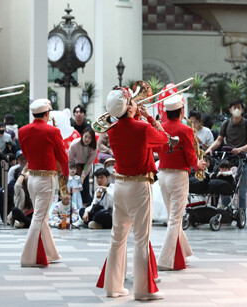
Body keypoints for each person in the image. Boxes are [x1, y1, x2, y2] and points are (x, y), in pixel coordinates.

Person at [96, 87, 168, 300]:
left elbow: (128, 127)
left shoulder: (111, 130)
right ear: (128, 107)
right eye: (133, 101)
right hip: (139, 186)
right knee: (141, 239)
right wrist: (150, 119)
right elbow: (163, 140)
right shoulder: (142, 128)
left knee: (117, 237)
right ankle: (144, 290)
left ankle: (113, 287)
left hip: (120, 185)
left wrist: (137, 115)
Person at [156, 94, 206, 272]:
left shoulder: (159, 127)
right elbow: (191, 156)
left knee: (172, 215)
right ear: (181, 111)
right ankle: (164, 259)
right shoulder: (185, 130)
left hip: (162, 174)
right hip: (178, 176)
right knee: (175, 219)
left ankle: (184, 251)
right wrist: (198, 164)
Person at [19, 98, 69, 267]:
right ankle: (28, 257)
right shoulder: (53, 131)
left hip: (32, 177)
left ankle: (51, 253)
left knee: (42, 217)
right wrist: (66, 175)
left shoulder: (23, 130)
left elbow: (26, 153)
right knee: (39, 217)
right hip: (47, 179)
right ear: (47, 113)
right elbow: (63, 157)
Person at [205, 100, 247, 214]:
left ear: (242, 110)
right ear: (230, 110)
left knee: (241, 189)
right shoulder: (226, 124)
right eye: (234, 107)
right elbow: (219, 140)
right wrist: (210, 148)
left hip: (243, 159)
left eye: (239, 107)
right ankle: (225, 211)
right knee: (224, 185)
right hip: (227, 159)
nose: (236, 109)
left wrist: (240, 149)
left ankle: (241, 212)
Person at [69, 127, 97, 206]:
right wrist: (73, 171)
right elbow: (70, 160)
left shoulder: (94, 147)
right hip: (75, 164)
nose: (87, 139)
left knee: (84, 184)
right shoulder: (75, 144)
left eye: (90, 138)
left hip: (85, 165)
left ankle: (84, 204)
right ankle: (72, 203)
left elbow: (89, 163)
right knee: (74, 184)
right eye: (85, 136)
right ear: (82, 135)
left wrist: (83, 176)